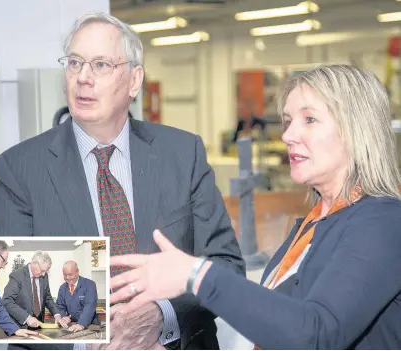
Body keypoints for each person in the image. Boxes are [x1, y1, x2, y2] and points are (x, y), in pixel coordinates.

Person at [0, 11, 245, 350]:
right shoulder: (20, 170)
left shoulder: (182, 153)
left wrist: (161, 315)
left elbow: (225, 267)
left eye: (101, 65)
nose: (83, 78)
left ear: (134, 81)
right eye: (75, 63)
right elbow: (6, 294)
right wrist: (87, 336)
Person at [109, 65, 401, 350]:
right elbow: (280, 331)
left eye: (309, 119)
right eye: (288, 122)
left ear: (356, 130)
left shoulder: (383, 223)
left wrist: (197, 274)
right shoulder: (314, 225)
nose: (288, 135)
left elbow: (315, 334)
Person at [2, 252, 67, 329]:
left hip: (39, 325)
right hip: (21, 326)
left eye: (46, 272)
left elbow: (47, 298)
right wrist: (27, 318)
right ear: (34, 263)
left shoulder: (44, 276)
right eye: (42, 271)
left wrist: (57, 314)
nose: (43, 274)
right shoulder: (17, 276)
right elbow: (7, 301)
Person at [56, 261, 99, 332]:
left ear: (77, 272)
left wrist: (81, 324)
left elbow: (89, 306)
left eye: (70, 274)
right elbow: (60, 306)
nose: (67, 278)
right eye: (65, 275)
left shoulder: (89, 285)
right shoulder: (62, 288)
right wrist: (63, 317)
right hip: (72, 325)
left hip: (90, 325)